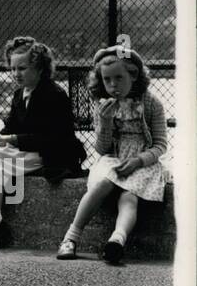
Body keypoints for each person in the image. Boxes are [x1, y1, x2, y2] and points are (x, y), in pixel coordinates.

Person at [0, 36, 86, 246]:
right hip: (26, 152)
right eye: (12, 69)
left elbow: (52, 139)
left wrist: (9, 139)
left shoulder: (54, 95)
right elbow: (11, 126)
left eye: (22, 69)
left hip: (51, 156)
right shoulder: (18, 94)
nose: (15, 74)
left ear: (40, 68)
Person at [57, 42, 167, 265]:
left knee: (129, 197)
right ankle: (71, 237)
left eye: (119, 78)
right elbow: (101, 149)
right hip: (113, 158)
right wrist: (105, 122)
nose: (113, 85)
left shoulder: (152, 103)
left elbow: (160, 145)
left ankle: (117, 241)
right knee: (104, 183)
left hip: (143, 162)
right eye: (107, 79)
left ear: (134, 75)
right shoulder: (103, 105)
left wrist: (138, 161)